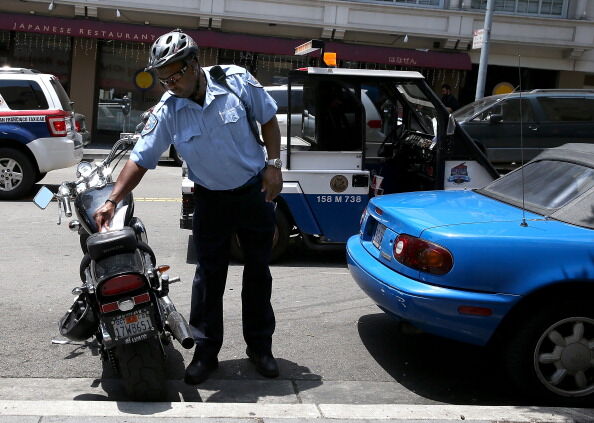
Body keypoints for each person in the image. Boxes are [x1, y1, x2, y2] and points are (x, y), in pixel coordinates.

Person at [93, 29, 283, 385]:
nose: (171, 83)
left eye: (176, 74)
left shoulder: (235, 82)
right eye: (164, 79)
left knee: (258, 272)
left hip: (253, 192)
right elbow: (141, 159)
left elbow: (269, 119)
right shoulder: (169, 111)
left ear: (194, 63)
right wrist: (112, 198)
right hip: (210, 198)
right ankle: (206, 353)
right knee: (209, 278)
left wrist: (274, 165)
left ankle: (260, 349)